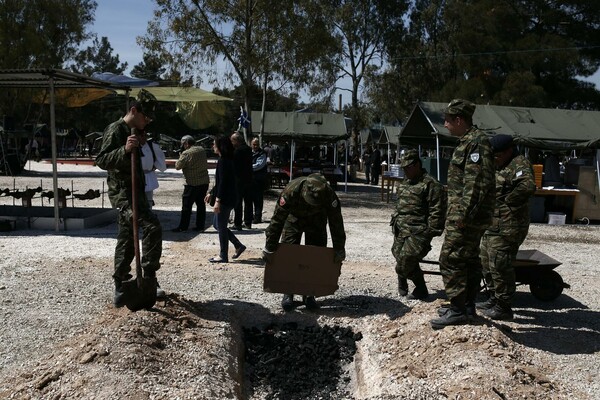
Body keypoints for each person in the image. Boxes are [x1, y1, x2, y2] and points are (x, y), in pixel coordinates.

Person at [95, 89, 165, 307]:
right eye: (145, 117)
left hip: (137, 190)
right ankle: (148, 275)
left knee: (127, 239)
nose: (147, 122)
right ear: (133, 110)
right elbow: (102, 159)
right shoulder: (116, 130)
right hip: (123, 194)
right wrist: (124, 150)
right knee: (152, 226)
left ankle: (122, 284)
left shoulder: (136, 130)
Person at [430, 99, 495, 329]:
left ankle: (458, 310)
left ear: (459, 120)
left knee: (450, 258)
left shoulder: (476, 143)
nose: (445, 125)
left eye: (447, 120)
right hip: (467, 215)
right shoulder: (467, 142)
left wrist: (462, 218)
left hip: (467, 217)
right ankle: (465, 306)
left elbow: (476, 186)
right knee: (468, 260)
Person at [263, 173, 346, 311]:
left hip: (317, 222)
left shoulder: (329, 196)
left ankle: (309, 293)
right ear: (304, 191)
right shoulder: (291, 191)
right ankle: (288, 292)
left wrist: (339, 249)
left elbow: (336, 223)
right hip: (293, 220)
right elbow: (277, 220)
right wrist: (269, 247)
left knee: (315, 256)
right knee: (288, 253)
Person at [478, 134, 536, 320]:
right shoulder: (501, 164)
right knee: (486, 261)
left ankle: (504, 307)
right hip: (493, 225)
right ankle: (494, 298)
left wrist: (506, 201)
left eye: (497, 155)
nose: (494, 158)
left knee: (500, 264)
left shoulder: (519, 164)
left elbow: (527, 187)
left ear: (509, 151)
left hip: (508, 226)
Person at [390, 149, 446, 300]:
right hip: (401, 228)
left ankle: (414, 284)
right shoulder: (405, 182)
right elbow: (400, 203)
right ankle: (409, 280)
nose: (405, 171)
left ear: (417, 165)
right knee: (397, 254)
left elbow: (438, 210)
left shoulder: (431, 184)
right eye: (404, 168)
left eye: (408, 168)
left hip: (419, 231)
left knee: (405, 261)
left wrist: (430, 232)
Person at [204, 135, 246, 263]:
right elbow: (220, 181)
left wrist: (218, 201)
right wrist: (211, 192)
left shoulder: (224, 161)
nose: (213, 146)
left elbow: (223, 183)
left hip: (226, 199)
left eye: (214, 144)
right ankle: (238, 245)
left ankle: (223, 255)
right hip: (228, 197)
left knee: (220, 226)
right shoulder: (226, 159)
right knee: (217, 224)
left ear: (220, 146)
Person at [172, 135, 210, 232]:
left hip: (191, 183)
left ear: (186, 143)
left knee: (186, 206)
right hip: (204, 181)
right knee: (201, 205)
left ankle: (183, 226)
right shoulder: (201, 150)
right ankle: (200, 225)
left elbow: (177, 166)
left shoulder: (186, 153)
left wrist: (181, 155)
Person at [138, 131, 167, 210]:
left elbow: (161, 162)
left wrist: (154, 166)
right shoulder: (133, 147)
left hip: (149, 176)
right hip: (136, 176)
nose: (143, 137)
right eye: (141, 135)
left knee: (148, 199)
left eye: (144, 135)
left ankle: (148, 214)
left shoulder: (152, 146)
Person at [231, 132, 254, 230]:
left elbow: (234, 165)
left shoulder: (237, 151)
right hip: (249, 178)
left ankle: (238, 223)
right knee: (248, 202)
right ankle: (248, 222)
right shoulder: (249, 149)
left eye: (232, 141)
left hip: (239, 179)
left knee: (238, 202)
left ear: (236, 141)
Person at [251, 137, 268, 224]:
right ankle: (249, 217)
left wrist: (247, 167)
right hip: (250, 180)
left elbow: (259, 165)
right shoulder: (249, 153)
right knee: (249, 199)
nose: (255, 146)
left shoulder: (262, 153)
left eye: (257, 144)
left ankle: (257, 217)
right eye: (254, 144)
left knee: (258, 200)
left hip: (259, 180)